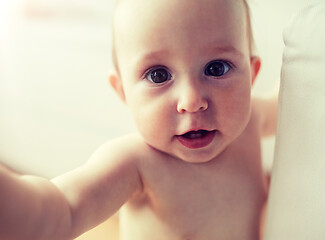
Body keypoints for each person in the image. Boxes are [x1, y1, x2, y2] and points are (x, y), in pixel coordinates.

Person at [0, 0, 278, 239]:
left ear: (251, 76)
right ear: (123, 92)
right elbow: (66, 210)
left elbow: (303, 96)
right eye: (158, 75)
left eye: (216, 68)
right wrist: (14, 204)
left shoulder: (252, 120)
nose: (191, 101)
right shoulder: (136, 163)